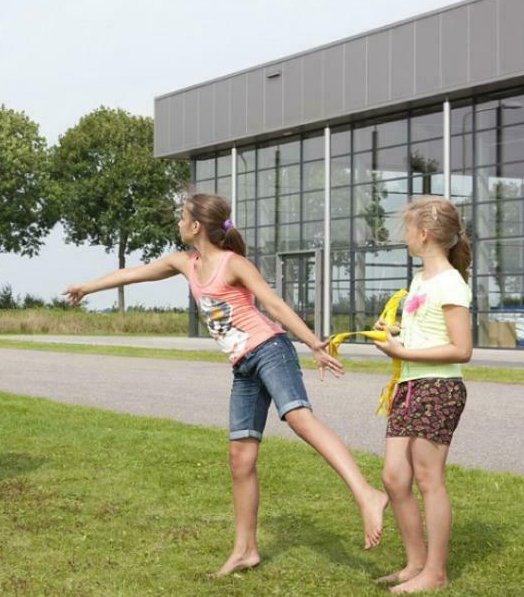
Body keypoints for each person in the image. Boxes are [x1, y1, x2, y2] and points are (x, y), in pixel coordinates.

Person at [62, 192, 389, 576]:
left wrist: (313, 344)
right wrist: (87, 286)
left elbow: (274, 305)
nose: (178, 223)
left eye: (182, 217)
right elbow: (131, 274)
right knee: (240, 459)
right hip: (243, 365)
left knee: (299, 419)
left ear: (197, 225)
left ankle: (367, 494)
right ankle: (245, 550)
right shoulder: (185, 263)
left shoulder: (233, 264)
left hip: (270, 349)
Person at [371, 196, 473, 594]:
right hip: (410, 386)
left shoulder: (451, 283)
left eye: (408, 229)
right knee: (395, 477)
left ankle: (436, 572)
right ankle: (415, 563)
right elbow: (427, 335)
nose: (405, 236)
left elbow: (461, 349)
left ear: (425, 233)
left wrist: (402, 351)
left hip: (439, 387)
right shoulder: (419, 280)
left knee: (429, 478)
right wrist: (394, 334)